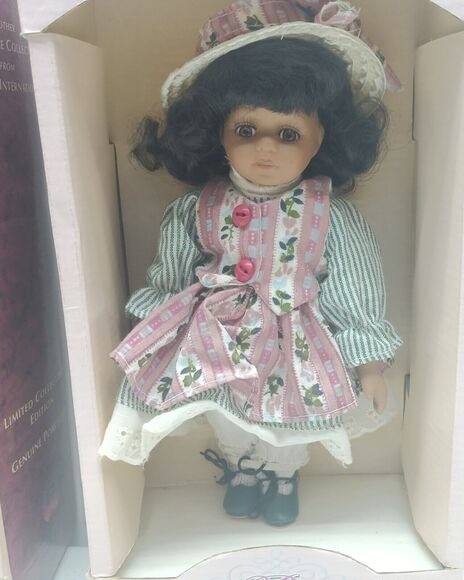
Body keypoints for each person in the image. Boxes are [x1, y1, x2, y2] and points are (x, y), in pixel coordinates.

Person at [99, 0, 402, 527]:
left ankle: (283, 475)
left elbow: (355, 286)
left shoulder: (330, 216)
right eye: (246, 130)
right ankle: (243, 468)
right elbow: (171, 274)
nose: (266, 148)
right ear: (218, 131)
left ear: (320, 138)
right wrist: (153, 328)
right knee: (225, 410)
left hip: (292, 339)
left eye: (288, 134)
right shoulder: (196, 208)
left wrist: (368, 361)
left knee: (289, 416)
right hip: (214, 335)